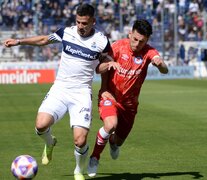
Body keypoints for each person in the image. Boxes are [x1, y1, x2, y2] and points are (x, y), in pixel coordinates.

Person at [4, 3, 111, 180]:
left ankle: (78, 170)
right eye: (78, 22)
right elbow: (43, 40)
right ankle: (50, 142)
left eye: (85, 23)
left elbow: (102, 67)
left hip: (82, 92)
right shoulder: (66, 32)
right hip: (60, 88)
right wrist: (19, 41)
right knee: (40, 125)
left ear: (93, 21)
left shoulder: (102, 41)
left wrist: (106, 76)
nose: (80, 27)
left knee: (80, 140)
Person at [87, 19, 169, 177]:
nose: (137, 44)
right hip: (109, 96)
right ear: (130, 34)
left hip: (130, 106)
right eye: (135, 39)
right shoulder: (117, 47)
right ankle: (95, 157)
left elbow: (164, 69)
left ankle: (113, 143)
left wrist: (160, 64)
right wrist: (109, 65)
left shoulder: (149, 52)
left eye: (142, 41)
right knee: (110, 125)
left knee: (118, 141)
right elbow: (98, 69)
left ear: (147, 40)